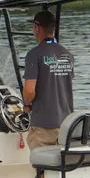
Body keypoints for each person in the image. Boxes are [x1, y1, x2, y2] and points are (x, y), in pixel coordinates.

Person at [22, 10, 75, 151]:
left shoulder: (34, 55)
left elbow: (29, 90)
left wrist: (26, 105)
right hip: (66, 124)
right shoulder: (68, 54)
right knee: (59, 168)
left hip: (43, 126)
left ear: (37, 28)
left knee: (42, 168)